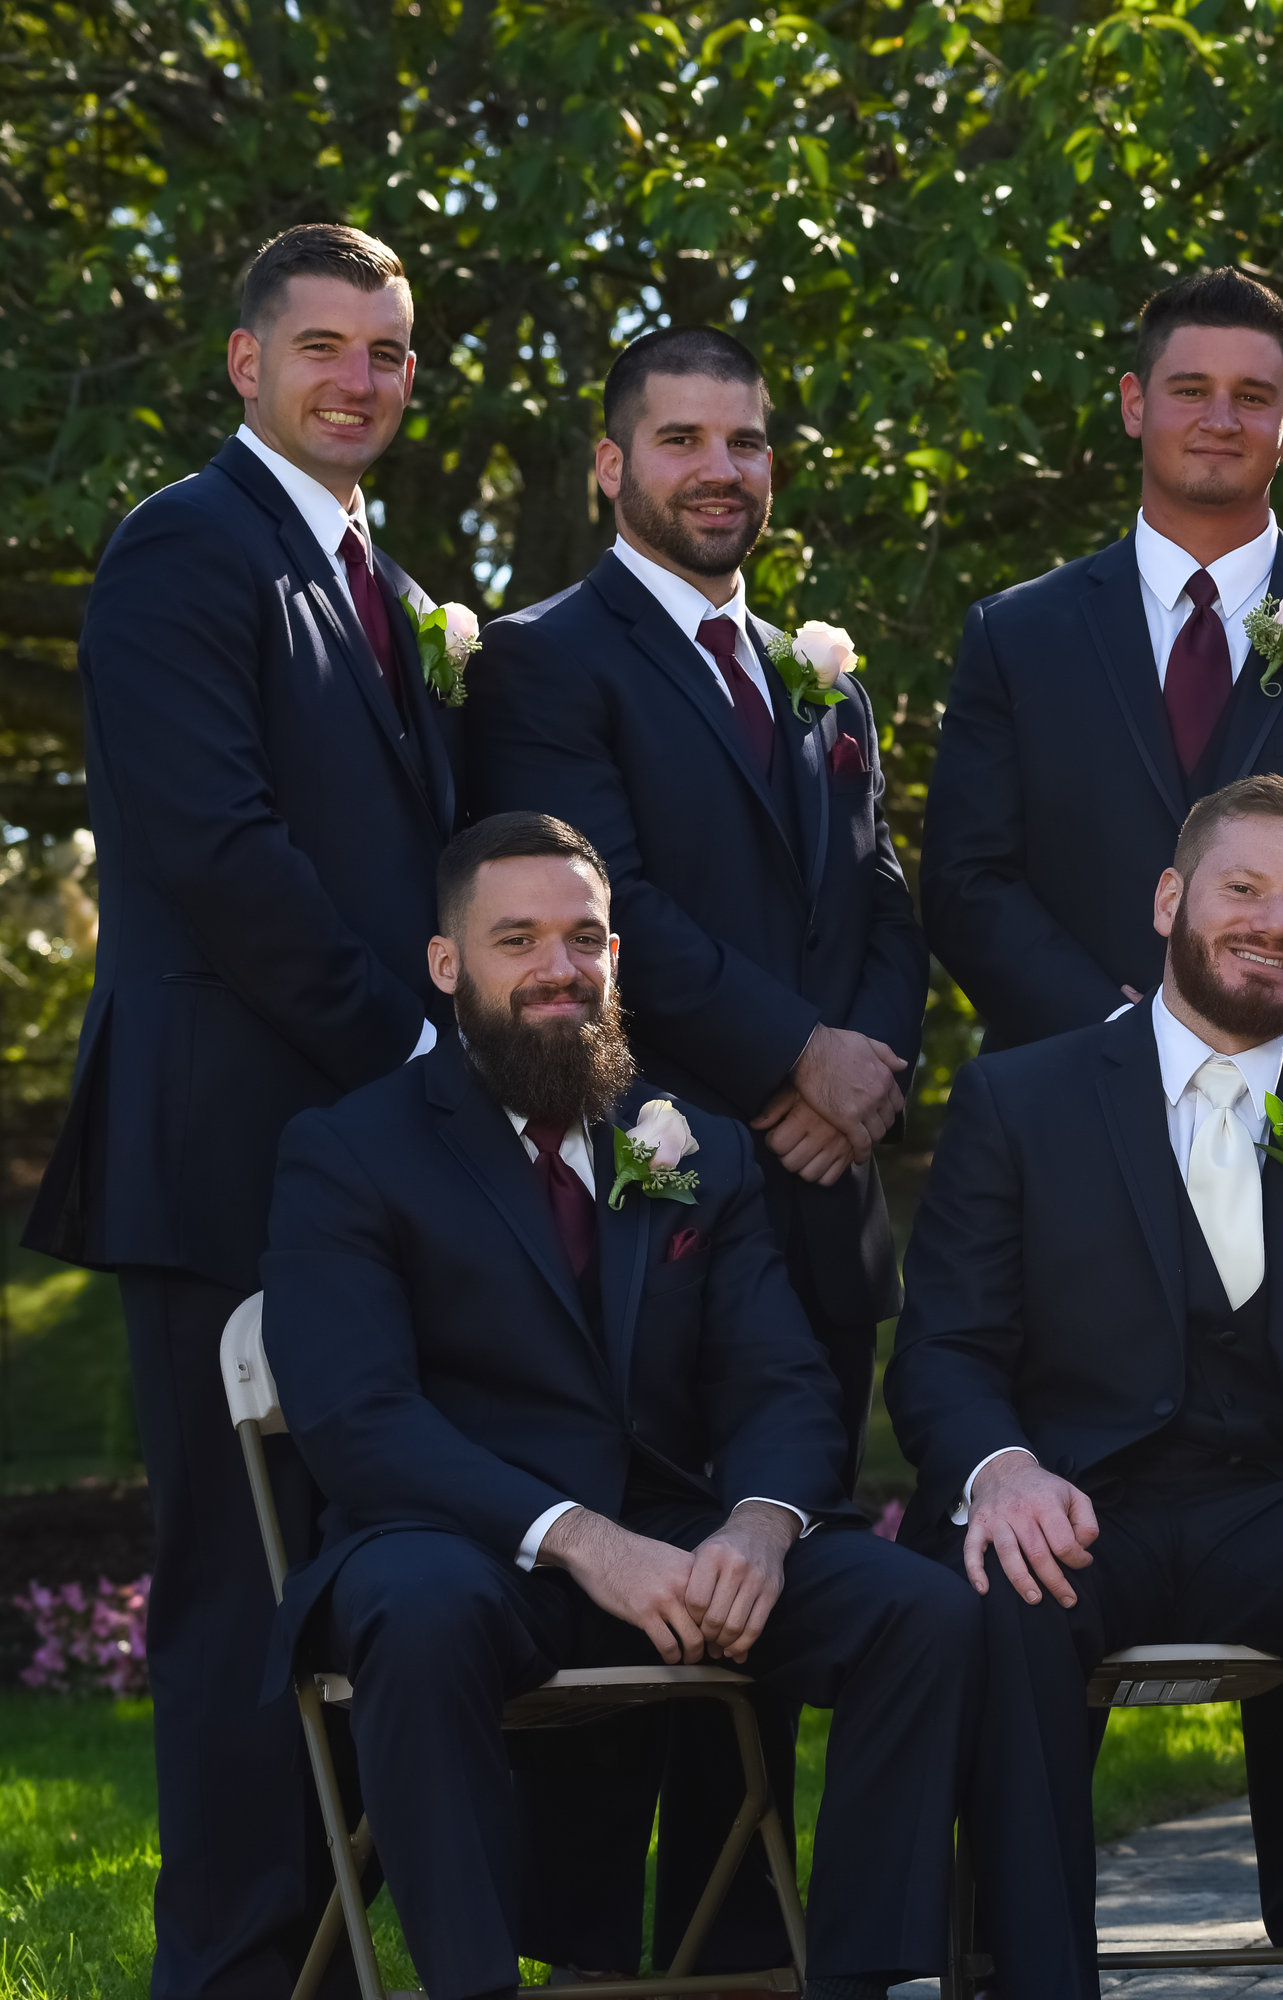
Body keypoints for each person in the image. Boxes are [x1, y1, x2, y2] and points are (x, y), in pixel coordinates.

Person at [258, 812, 977, 2000]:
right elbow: (360, 1418)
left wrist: (759, 1525)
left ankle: (859, 1977)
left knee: (920, 1610)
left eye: (585, 937)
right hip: (464, 1544)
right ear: (446, 963)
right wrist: (583, 1540)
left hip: (676, 1540)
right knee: (415, 1608)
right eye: (518, 939)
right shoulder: (349, 1150)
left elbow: (779, 1377)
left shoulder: (692, 1144)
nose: (560, 967)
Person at [23, 222, 462, 2000]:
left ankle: (327, 1963)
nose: (359, 379)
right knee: (236, 1589)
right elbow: (221, 854)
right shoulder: (184, 549)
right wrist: (421, 1060)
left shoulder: (382, 580)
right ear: (245, 363)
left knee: (355, 1571)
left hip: (361, 1164)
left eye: (387, 351)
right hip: (228, 1156)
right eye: (323, 347)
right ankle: (225, 1971)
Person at [467, 323, 926, 1974]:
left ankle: (744, 1960)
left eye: (745, 441)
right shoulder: (542, 662)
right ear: (612, 463)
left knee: (773, 1583)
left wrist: (859, 1081)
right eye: (681, 440)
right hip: (639, 1197)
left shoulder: (823, 672)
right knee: (633, 1591)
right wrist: (793, 1059)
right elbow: (609, 910)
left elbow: (881, 900)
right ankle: (590, 1967)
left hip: (822, 1200)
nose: (720, 471)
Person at [886, 775, 1283, 2000]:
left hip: (1282, 1509)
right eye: (1244, 888)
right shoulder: (1019, 1099)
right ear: (1170, 898)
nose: (1275, 923)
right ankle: (1029, 1979)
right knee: (998, 1590)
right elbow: (943, 1350)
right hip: (1075, 1503)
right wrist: (1001, 1471)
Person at [921, 264, 1283, 1105]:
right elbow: (968, 881)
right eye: (1190, 390)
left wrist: (1258, 1042)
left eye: (1252, 397)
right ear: (1134, 403)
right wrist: (1120, 1039)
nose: (1221, 419)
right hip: (1069, 1097)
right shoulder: (1016, 635)